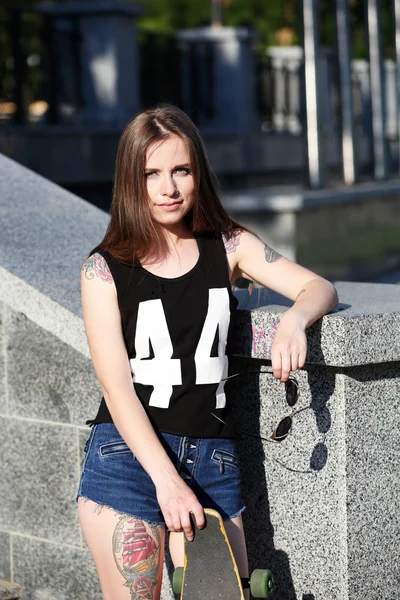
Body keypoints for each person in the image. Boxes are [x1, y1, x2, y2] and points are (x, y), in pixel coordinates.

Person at [77, 104, 338, 600]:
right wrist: (166, 480)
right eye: (151, 173)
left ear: (199, 172)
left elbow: (316, 286)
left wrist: (294, 322)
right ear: (130, 180)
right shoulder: (102, 270)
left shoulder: (229, 246)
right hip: (129, 456)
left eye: (181, 170)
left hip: (211, 457)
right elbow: (116, 386)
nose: (167, 188)